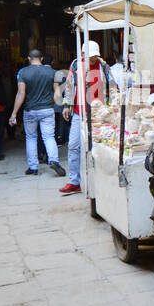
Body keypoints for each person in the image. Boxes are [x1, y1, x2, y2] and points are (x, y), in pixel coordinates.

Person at [57, 40, 115, 196]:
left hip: (99, 113)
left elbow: (113, 85)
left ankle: (100, 181)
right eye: (90, 57)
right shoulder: (76, 65)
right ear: (82, 54)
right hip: (78, 112)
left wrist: (113, 105)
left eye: (95, 56)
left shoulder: (103, 66)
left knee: (98, 147)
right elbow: (69, 86)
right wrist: (66, 105)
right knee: (74, 146)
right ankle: (74, 181)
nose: (93, 59)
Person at [9, 49, 66, 177]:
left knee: (31, 138)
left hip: (30, 110)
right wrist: (53, 103)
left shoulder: (23, 72)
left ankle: (33, 167)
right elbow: (57, 92)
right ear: (41, 59)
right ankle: (54, 160)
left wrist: (14, 113)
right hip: (47, 109)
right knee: (49, 137)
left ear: (29, 59)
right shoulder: (53, 72)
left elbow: (21, 93)